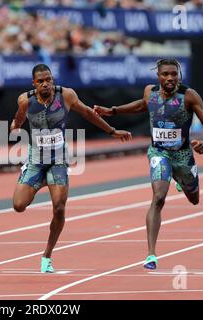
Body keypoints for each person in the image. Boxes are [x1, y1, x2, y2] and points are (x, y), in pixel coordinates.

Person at [94, 58, 203, 270]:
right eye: (165, 74)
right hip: (158, 152)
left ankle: (181, 178)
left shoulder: (188, 96)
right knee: (159, 196)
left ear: (178, 75)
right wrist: (113, 111)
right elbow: (142, 105)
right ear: (158, 76)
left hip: (183, 155)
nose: (170, 78)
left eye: (173, 74)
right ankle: (151, 254)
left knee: (194, 199)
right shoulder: (149, 92)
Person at [10, 63, 132, 273]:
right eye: (41, 81)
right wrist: (15, 126)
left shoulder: (66, 95)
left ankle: (47, 256)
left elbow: (87, 113)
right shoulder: (25, 100)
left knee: (58, 207)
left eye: (48, 79)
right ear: (34, 83)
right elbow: (18, 119)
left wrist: (112, 131)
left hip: (58, 159)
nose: (45, 84)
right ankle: (38, 179)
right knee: (19, 205)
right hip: (36, 160)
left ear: (52, 79)